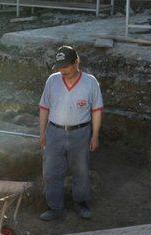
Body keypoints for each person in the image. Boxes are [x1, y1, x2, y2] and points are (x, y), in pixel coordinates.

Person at [38, 45, 104, 221]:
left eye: (65, 66)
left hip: (80, 133)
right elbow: (44, 107)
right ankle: (55, 207)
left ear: (76, 62)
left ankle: (81, 203)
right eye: (59, 66)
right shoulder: (52, 80)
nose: (62, 70)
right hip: (54, 131)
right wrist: (42, 133)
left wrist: (95, 136)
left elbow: (97, 110)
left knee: (80, 170)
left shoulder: (90, 82)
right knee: (51, 171)